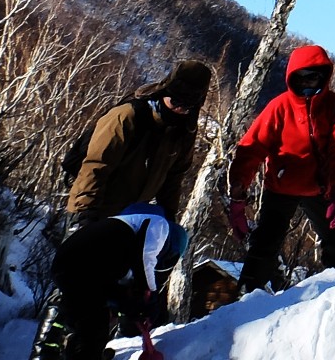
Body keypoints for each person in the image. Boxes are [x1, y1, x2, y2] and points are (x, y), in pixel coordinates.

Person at [226, 45, 335, 292]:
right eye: (302, 77)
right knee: (265, 242)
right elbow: (250, 150)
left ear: (324, 75)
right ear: (292, 77)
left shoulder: (334, 106)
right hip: (281, 185)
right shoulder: (279, 107)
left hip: (321, 188)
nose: (309, 82)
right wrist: (238, 195)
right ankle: (246, 297)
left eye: (314, 76)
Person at [65, 61, 212, 225]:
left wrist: (168, 218)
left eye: (186, 107)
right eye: (175, 101)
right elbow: (96, 165)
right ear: (164, 91)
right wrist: (84, 213)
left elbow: (173, 179)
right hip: (93, 212)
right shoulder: (128, 116)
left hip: (128, 222)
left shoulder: (184, 132)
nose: (178, 109)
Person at [33, 203, 185, 360]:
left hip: (73, 268)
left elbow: (109, 288)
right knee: (94, 326)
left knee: (91, 323)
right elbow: (145, 258)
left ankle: (72, 353)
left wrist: (131, 306)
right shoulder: (159, 225)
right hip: (79, 267)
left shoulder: (118, 246)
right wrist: (149, 294)